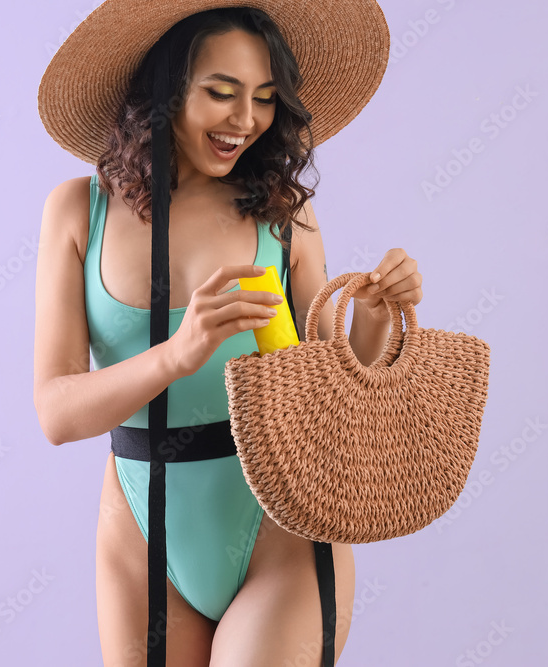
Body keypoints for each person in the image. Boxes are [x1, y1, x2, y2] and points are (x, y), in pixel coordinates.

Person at [35, 3, 423, 665]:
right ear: (163, 92)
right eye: (222, 92)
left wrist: (377, 319)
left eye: (266, 99)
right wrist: (177, 354)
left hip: (284, 525)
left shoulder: (284, 219)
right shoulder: (78, 211)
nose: (246, 120)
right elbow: (57, 412)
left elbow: (334, 399)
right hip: (141, 534)